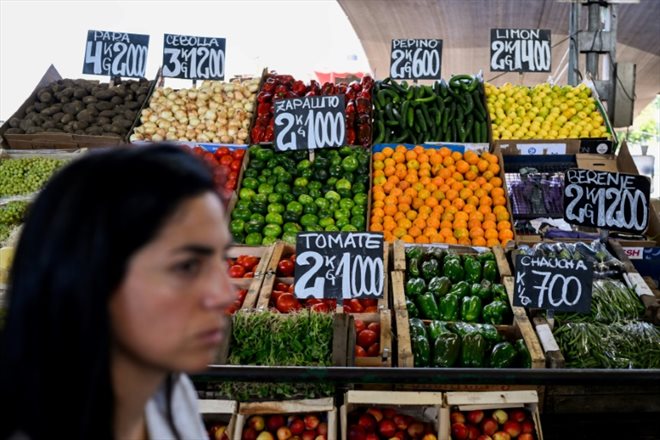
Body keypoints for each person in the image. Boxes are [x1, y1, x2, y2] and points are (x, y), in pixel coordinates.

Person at [0, 144, 236, 439]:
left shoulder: (169, 392)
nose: (226, 294)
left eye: (223, 258)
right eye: (187, 266)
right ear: (88, 275)